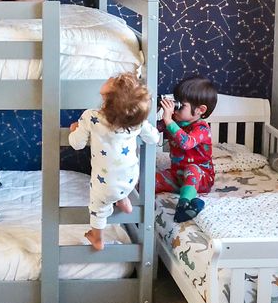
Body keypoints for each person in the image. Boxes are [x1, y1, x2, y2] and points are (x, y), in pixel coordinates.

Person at [69, 72, 160, 251]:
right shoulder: (135, 121)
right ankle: (122, 199)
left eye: (114, 82)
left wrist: (74, 129)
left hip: (104, 187)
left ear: (108, 98)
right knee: (118, 177)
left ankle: (97, 238)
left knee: (97, 208)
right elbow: (154, 139)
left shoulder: (91, 117)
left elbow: (76, 144)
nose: (111, 77)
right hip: (130, 180)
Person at [156, 76, 218, 223]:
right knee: (148, 181)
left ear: (200, 110)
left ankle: (184, 205)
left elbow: (186, 142)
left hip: (201, 178)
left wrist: (169, 121)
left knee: (192, 168)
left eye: (181, 105)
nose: (175, 108)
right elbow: (152, 129)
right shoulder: (176, 121)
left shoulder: (202, 128)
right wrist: (157, 110)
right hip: (177, 176)